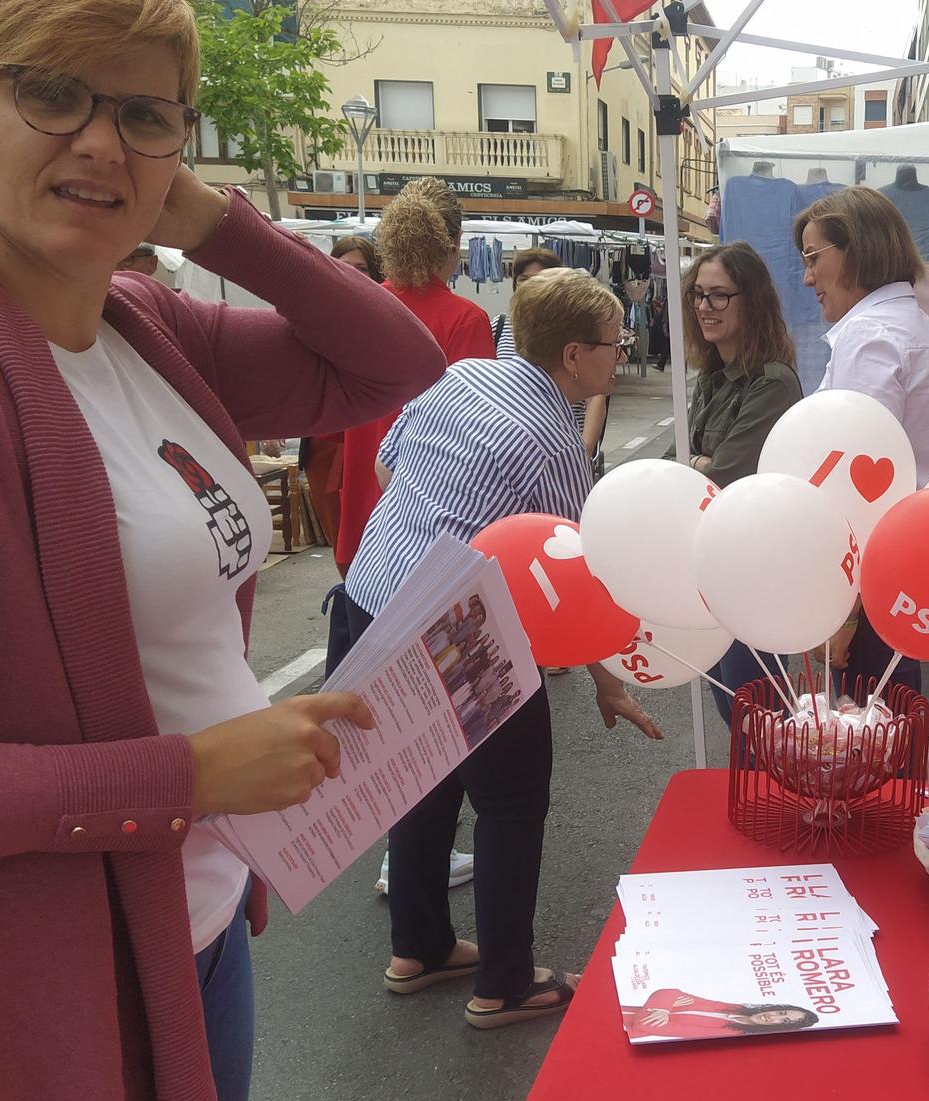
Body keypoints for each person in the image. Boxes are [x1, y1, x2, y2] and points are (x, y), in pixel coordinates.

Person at [0, 1, 448, 1101]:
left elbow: (393, 363)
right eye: (53, 94)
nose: (99, 142)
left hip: (204, 930)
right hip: (40, 997)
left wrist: (212, 219)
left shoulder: (141, 324)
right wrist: (186, 778)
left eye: (140, 112)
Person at [341, 267, 664, 1029]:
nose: (620, 359)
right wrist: (606, 681)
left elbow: (390, 464)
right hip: (456, 626)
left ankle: (417, 946)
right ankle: (505, 984)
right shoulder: (552, 439)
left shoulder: (464, 376)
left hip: (373, 589)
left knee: (420, 775)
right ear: (577, 354)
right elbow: (570, 575)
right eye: (615, 348)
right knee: (513, 800)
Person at [793, 185, 929, 697]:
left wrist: (844, 614)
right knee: (893, 735)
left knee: (863, 751)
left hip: (870, 585)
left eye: (814, 258)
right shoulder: (920, 328)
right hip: (910, 575)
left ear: (856, 251)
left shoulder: (870, 336)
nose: (807, 277)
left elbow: (856, 485)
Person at [333, 177, 493, 579]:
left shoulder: (357, 307)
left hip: (361, 508)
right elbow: (473, 437)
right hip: (425, 521)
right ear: (455, 241)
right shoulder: (466, 319)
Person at [683, 242, 803, 723]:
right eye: (698, 295)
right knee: (735, 710)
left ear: (750, 300)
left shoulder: (772, 382)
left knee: (756, 716)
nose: (704, 307)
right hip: (713, 563)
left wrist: (698, 465)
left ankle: (777, 800)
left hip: (758, 570)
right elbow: (677, 466)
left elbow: (724, 475)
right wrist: (698, 462)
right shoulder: (711, 379)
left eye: (719, 296)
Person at [299, 235, 385, 551]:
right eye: (342, 265)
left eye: (361, 268)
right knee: (339, 539)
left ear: (375, 274)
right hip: (324, 443)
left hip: (369, 439)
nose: (350, 273)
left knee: (370, 534)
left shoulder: (386, 316)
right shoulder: (312, 313)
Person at [495, 246, 608, 471]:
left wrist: (584, 449)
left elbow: (596, 395)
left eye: (539, 279)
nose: (529, 285)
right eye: (523, 279)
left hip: (561, 445)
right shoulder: (498, 326)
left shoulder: (572, 331)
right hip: (509, 448)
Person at [622, 989, 820, 1040]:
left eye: (783, 1020)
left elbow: (645, 1025)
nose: (773, 1017)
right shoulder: (732, 1008)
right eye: (780, 1012)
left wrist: (668, 1007)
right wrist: (665, 1007)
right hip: (620, 1009)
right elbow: (668, 992)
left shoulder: (729, 1034)